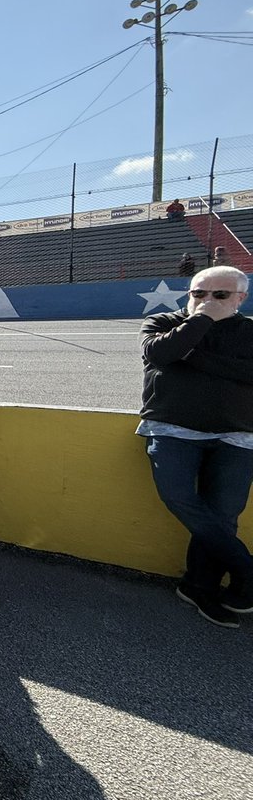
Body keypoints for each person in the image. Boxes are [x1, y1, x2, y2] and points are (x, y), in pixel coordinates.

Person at [139, 265, 253, 628]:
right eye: (198, 294)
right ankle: (246, 570)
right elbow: (160, 355)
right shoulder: (162, 323)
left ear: (240, 298)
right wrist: (200, 321)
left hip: (236, 435)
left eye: (218, 296)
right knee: (178, 497)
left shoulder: (248, 331)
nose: (206, 302)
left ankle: (198, 587)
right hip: (172, 430)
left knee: (222, 515)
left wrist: (192, 358)